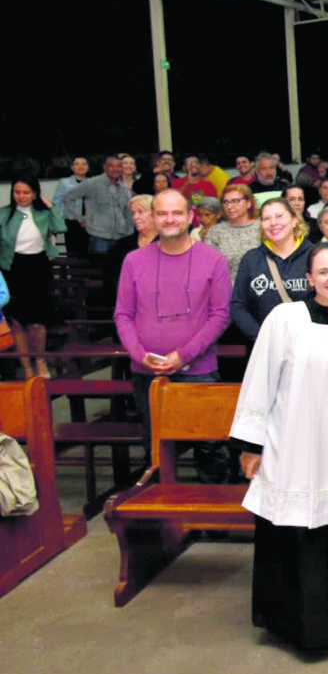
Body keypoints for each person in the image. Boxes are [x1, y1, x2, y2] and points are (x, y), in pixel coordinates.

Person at [229, 242, 328, 653]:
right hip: (291, 444)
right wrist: (251, 445)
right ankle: (283, 624)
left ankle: (324, 627)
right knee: (290, 536)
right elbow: (259, 379)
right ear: (309, 278)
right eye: (324, 272)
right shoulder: (285, 318)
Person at [114, 190, 232, 478]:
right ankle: (161, 518)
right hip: (147, 372)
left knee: (210, 449)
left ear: (190, 217)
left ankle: (212, 520)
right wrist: (140, 355)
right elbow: (123, 315)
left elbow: (220, 316)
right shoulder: (133, 260)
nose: (170, 219)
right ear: (154, 218)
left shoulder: (213, 259)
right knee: (156, 448)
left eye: (177, 212)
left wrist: (183, 355)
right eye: (163, 213)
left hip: (199, 371)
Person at [1, 179, 65, 378]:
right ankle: (27, 368)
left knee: (37, 322)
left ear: (35, 194)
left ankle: (41, 361)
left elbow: (61, 227)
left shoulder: (43, 213)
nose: (20, 196)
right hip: (12, 268)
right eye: (17, 192)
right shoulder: (4, 213)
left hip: (38, 267)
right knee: (17, 322)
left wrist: (51, 207)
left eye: (26, 192)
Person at [231, 197, 314, 343]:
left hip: (309, 345)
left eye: (280, 216)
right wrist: (260, 336)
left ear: (295, 220)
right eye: (266, 218)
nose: (273, 223)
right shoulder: (251, 259)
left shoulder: (315, 255)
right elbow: (238, 305)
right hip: (264, 347)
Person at [61, 155, 133, 255]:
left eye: (119, 166)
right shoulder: (92, 183)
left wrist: (129, 233)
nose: (116, 169)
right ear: (105, 167)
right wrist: (79, 218)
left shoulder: (123, 189)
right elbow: (68, 197)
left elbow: (127, 212)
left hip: (120, 238)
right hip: (99, 238)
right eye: (112, 166)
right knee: (98, 269)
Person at [205, 183, 261, 281]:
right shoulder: (216, 232)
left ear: (249, 203)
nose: (229, 206)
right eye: (225, 202)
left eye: (236, 201)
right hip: (227, 289)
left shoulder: (263, 227)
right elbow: (207, 266)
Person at [55, 156, 91, 255]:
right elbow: (57, 202)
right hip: (72, 222)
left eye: (84, 164)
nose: (80, 166)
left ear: (88, 168)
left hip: (90, 223)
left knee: (88, 254)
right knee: (73, 253)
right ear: (72, 167)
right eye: (77, 164)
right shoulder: (64, 182)